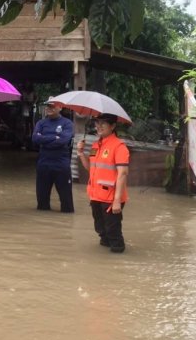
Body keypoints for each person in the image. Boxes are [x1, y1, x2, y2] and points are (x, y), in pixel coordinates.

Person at [76, 113, 130, 253]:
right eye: (97, 123)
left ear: (112, 126)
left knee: (113, 232)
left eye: (103, 123)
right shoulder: (96, 145)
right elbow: (90, 168)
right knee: (101, 230)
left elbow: (122, 173)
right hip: (96, 195)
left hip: (111, 198)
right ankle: (103, 263)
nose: (99, 126)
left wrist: (117, 200)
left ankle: (117, 259)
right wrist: (81, 153)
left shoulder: (119, 147)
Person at [31, 97, 75, 212]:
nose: (49, 108)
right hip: (44, 164)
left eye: (52, 105)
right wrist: (53, 138)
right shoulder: (41, 123)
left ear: (60, 107)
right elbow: (35, 138)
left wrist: (44, 140)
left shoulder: (67, 123)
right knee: (42, 203)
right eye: (47, 106)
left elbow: (63, 140)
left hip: (61, 165)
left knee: (67, 203)